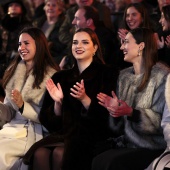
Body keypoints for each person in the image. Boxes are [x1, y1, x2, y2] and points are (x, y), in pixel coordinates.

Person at [22, 28, 119, 170]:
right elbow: (48, 121)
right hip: (65, 135)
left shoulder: (107, 74)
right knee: (40, 153)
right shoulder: (60, 77)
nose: (78, 46)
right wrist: (58, 103)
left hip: (93, 137)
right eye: (75, 43)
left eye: (84, 42)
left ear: (95, 48)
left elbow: (106, 120)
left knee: (59, 153)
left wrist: (85, 99)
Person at [92, 27, 170, 170]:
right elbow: (118, 127)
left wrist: (132, 112)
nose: (122, 47)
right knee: (97, 159)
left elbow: (161, 123)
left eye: (126, 42)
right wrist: (114, 111)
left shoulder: (162, 75)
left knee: (111, 163)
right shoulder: (124, 76)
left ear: (141, 46)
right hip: (128, 142)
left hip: (153, 145)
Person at [0, 27, 59, 170]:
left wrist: (22, 105)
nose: (22, 47)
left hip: (32, 131)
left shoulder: (51, 75)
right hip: (10, 128)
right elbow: (9, 113)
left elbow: (47, 118)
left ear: (38, 45)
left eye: (26, 43)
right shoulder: (13, 71)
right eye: (20, 44)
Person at [33, 0, 67, 65]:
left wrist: (50, 45)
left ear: (60, 10)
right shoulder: (37, 23)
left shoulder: (63, 26)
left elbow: (63, 46)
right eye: (48, 5)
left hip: (52, 60)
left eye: (54, 5)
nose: (50, 8)